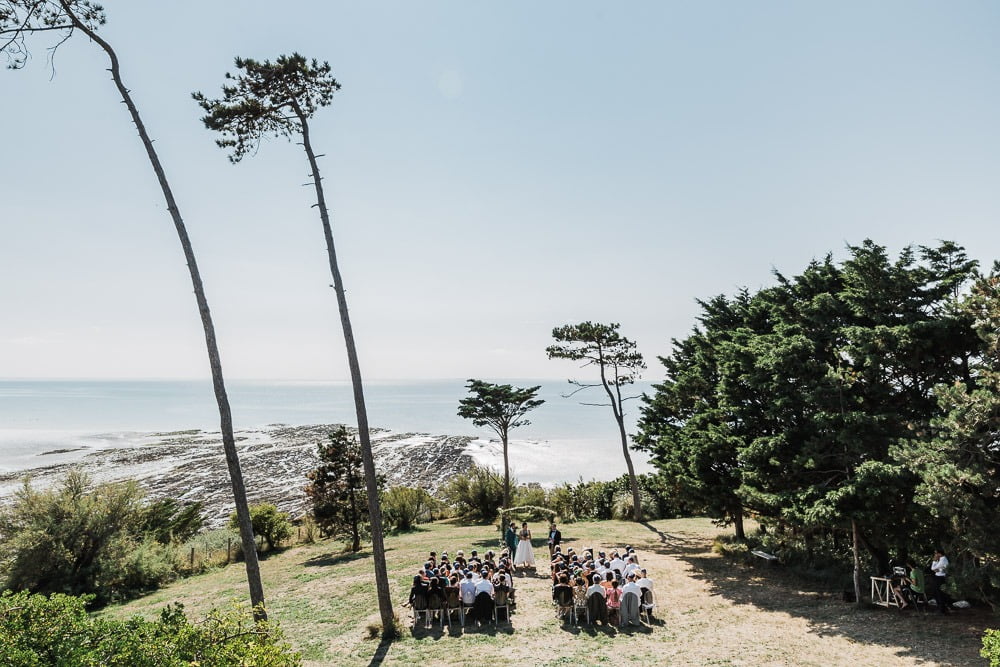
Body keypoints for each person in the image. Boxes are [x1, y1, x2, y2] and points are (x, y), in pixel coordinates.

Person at [929, 549, 950, 614]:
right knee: (936, 593)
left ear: (939, 553)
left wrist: (934, 560)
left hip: (940, 578)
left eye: (936, 553)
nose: (935, 555)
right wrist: (937, 569)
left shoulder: (943, 559)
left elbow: (932, 568)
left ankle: (942, 609)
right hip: (938, 577)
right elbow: (935, 569)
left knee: (939, 593)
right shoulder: (941, 559)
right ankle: (941, 608)